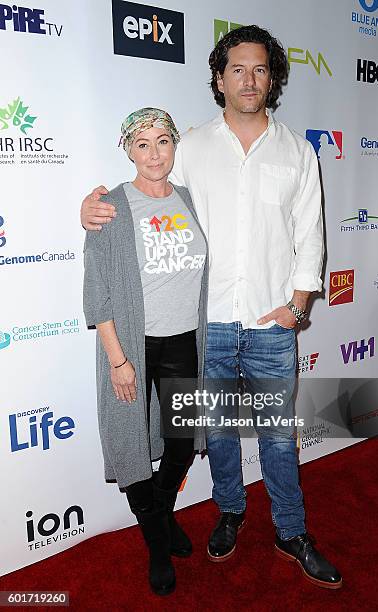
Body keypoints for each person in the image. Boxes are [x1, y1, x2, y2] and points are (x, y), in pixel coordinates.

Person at [81, 27, 342, 589]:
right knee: (218, 434)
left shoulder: (298, 151)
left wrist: (297, 306)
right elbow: (145, 193)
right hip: (209, 327)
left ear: (273, 78)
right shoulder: (191, 147)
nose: (249, 79)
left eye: (260, 69)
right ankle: (230, 512)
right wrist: (90, 206)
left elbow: (310, 235)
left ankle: (291, 530)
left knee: (276, 435)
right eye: (237, 69)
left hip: (271, 324)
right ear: (219, 79)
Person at [83, 107, 208, 596]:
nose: (154, 153)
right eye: (142, 143)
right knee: (131, 444)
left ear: (175, 145)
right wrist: (118, 360)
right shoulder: (111, 207)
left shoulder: (191, 199)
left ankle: (159, 513)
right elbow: (98, 295)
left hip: (184, 340)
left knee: (180, 441)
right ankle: (157, 541)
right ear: (127, 150)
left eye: (163, 140)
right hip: (131, 346)